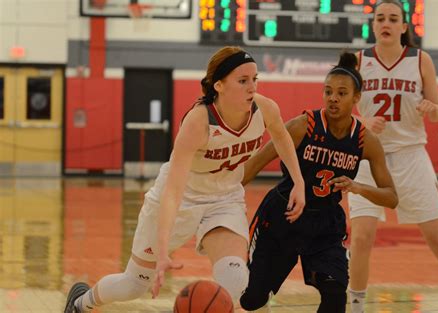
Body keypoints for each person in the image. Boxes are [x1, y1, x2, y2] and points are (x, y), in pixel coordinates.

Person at [63, 46, 306, 313]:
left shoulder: (265, 109)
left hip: (224, 198)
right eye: (243, 80)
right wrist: (164, 250)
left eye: (254, 79)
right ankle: (81, 304)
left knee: (237, 282)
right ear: (219, 85)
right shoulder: (198, 123)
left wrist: (298, 182)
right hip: (181, 198)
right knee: (134, 284)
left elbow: (281, 136)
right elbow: (173, 192)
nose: (252, 87)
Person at [239, 52, 398, 313]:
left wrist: (357, 187)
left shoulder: (365, 141)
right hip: (282, 218)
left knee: (335, 294)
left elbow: (391, 197)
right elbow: (255, 163)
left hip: (324, 225)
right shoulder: (304, 126)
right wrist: (219, 196)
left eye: (341, 93)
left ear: (356, 98)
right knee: (252, 300)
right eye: (328, 91)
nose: (333, 98)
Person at [348, 1, 438, 312]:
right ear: (373, 25)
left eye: (393, 19)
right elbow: (338, 110)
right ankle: (355, 305)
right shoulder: (357, 60)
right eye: (381, 18)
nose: (386, 23)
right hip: (366, 158)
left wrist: (433, 109)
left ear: (404, 27)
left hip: (411, 156)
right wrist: (363, 122)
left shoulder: (420, 60)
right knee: (361, 239)